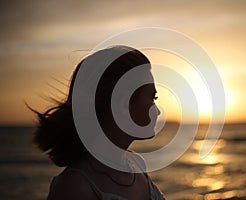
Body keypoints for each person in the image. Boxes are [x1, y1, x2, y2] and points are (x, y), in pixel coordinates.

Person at [31, 46, 165, 200]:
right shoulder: (74, 187)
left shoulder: (135, 164)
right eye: (153, 98)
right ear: (123, 104)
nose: (158, 111)